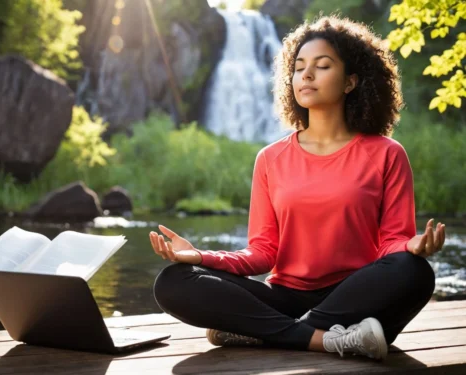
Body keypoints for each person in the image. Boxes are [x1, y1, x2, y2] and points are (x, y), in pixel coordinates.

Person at [149, 15, 446, 361]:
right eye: (299, 67)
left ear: (350, 82)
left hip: (357, 295)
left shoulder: (387, 154)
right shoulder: (270, 158)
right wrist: (201, 257)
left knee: (414, 272)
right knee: (173, 282)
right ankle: (326, 339)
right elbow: (262, 251)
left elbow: (390, 245)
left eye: (322, 66)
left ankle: (265, 332)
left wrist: (411, 245)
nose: (305, 75)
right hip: (284, 295)